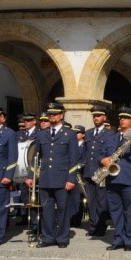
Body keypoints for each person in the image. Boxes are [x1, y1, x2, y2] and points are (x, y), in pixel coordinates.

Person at [25, 102, 80, 248]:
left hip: (62, 179)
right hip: (45, 178)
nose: (52, 116)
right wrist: (31, 175)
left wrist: (71, 179)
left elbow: (74, 159)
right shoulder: (42, 134)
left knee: (63, 209)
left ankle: (62, 238)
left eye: (55, 114)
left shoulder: (69, 134)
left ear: (61, 116)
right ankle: (48, 237)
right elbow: (35, 157)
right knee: (47, 209)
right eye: (50, 114)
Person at [103, 108, 131, 251]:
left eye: (126, 118)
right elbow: (102, 154)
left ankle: (129, 240)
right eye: (121, 118)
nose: (122, 120)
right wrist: (102, 160)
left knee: (130, 211)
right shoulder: (112, 137)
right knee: (115, 211)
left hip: (130, 179)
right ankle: (118, 239)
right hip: (112, 179)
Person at [83, 105, 112, 237]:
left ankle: (101, 226)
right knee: (91, 201)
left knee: (101, 201)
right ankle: (93, 225)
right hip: (89, 171)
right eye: (94, 116)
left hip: (101, 172)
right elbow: (85, 152)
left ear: (104, 117)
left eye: (98, 116)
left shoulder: (109, 134)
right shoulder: (88, 133)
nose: (96, 118)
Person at [0, 107, 17, 246]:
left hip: (0, 176)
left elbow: (12, 157)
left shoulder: (9, 134)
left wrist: (8, 175)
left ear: (3, 118)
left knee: (0, 208)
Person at [69, 125, 86, 228]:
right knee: (71, 198)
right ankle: (71, 218)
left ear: (83, 135)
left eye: (78, 133)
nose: (75, 135)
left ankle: (77, 219)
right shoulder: (72, 145)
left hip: (81, 174)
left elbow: (85, 159)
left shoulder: (85, 145)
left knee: (79, 198)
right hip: (72, 174)